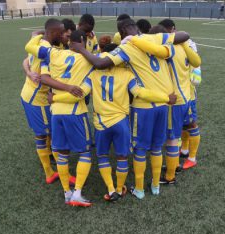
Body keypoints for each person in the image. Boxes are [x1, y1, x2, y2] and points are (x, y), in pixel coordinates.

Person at [69, 18, 189, 198]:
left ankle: (139, 189)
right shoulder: (155, 38)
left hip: (143, 107)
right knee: (157, 147)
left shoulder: (126, 48)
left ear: (123, 32)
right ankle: (155, 185)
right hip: (164, 104)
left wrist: (81, 49)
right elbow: (185, 35)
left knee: (140, 149)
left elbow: (100, 63)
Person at [50, 40, 177, 202]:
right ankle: (121, 188)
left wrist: (55, 97)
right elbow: (141, 93)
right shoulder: (127, 75)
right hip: (121, 122)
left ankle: (110, 190)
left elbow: (79, 94)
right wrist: (166, 98)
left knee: (102, 156)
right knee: (122, 157)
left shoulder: (93, 75)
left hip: (101, 124)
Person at [25, 30, 95, 207]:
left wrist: (38, 35)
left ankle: (67, 192)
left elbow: (32, 52)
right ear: (82, 42)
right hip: (75, 113)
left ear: (69, 41)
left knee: (62, 153)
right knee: (85, 153)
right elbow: (81, 93)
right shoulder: (90, 60)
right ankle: (77, 193)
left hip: (56, 113)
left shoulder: (53, 53)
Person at [21, 18, 80, 185]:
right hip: (37, 99)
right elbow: (44, 78)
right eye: (62, 33)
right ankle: (53, 173)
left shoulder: (39, 41)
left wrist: (29, 72)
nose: (65, 37)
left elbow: (26, 59)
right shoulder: (45, 49)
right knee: (47, 135)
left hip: (35, 96)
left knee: (48, 134)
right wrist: (68, 87)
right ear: (54, 33)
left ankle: (54, 171)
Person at [156, 19, 201, 184]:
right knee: (185, 126)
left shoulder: (172, 48)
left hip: (182, 96)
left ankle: (181, 164)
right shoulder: (184, 44)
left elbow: (195, 66)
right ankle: (184, 153)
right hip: (185, 93)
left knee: (180, 131)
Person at [180, 39, 202, 170]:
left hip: (189, 97)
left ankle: (192, 158)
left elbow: (196, 81)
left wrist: (194, 69)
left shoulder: (194, 62)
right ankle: (184, 150)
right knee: (184, 125)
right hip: (181, 98)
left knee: (191, 124)